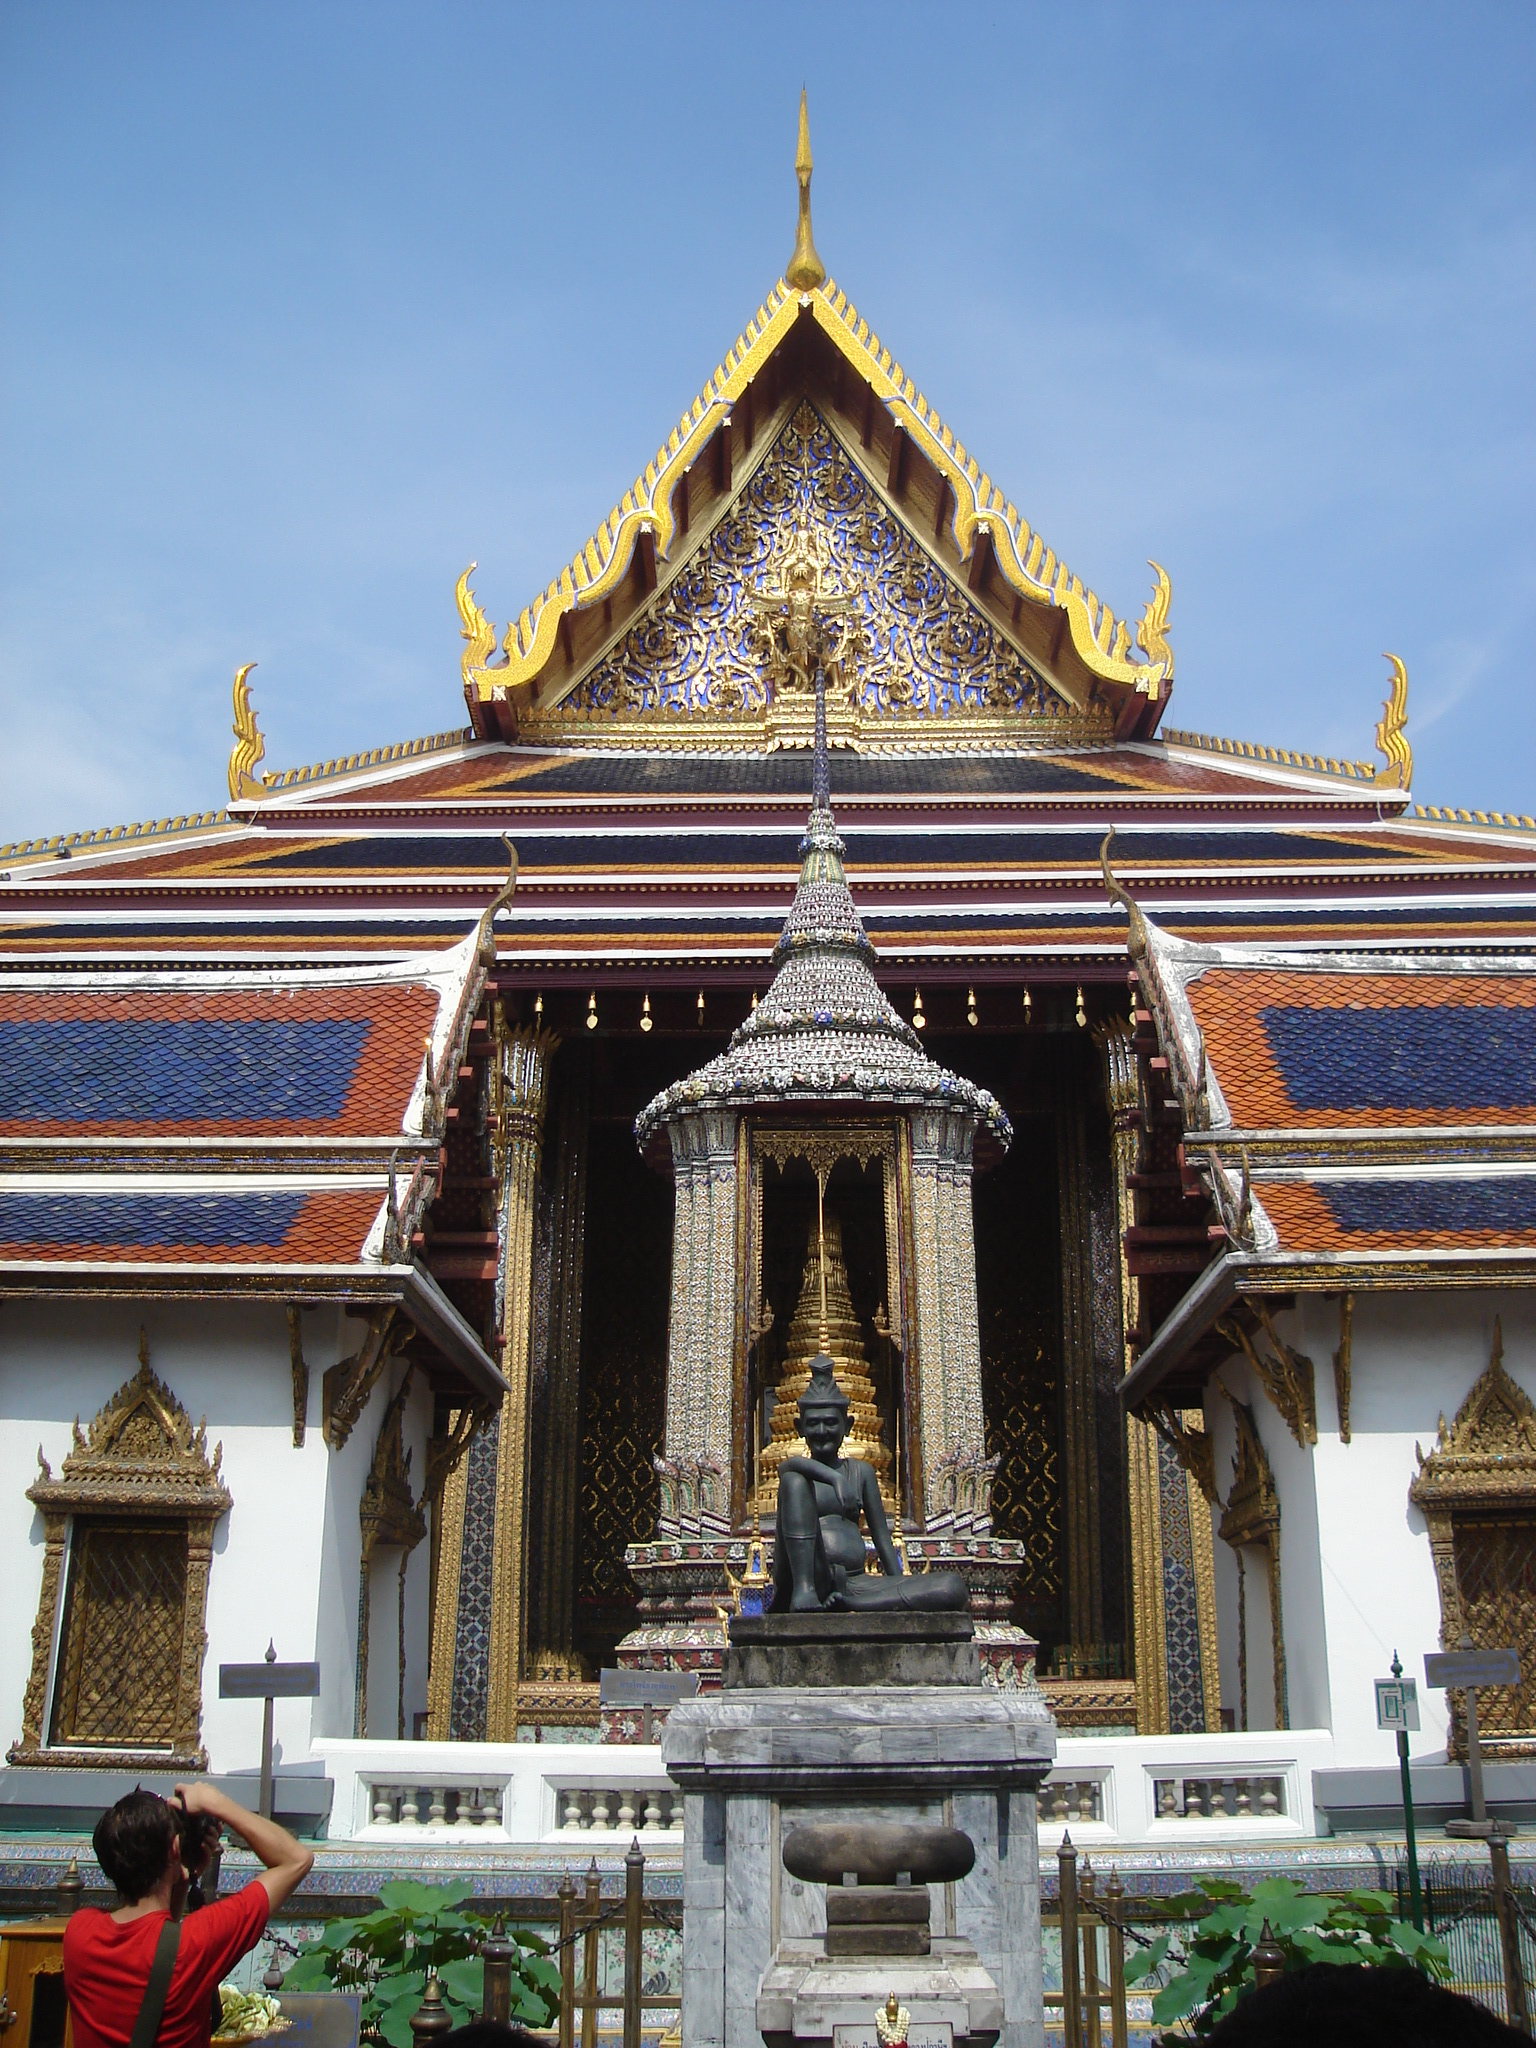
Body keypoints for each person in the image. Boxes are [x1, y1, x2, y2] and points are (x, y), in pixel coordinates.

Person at [64, 1783, 315, 2048]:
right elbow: (297, 1859)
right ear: (175, 1847)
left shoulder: (79, 1933)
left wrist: (181, 1883)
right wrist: (216, 1802)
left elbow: (155, 1950)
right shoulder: (196, 1942)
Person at [771, 1350, 969, 1613]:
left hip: (855, 1583)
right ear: (799, 1428)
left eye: (830, 1423)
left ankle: (850, 1602)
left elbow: (882, 1539)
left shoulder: (861, 1472)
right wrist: (834, 1478)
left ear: (848, 1425)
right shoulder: (798, 1474)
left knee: (951, 1587)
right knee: (793, 1482)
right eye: (813, 1424)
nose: (821, 1431)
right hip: (808, 1580)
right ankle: (806, 1594)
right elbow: (787, 1466)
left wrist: (897, 1583)